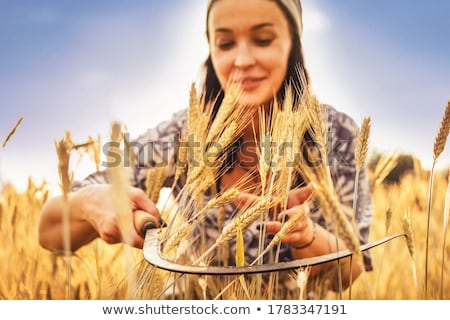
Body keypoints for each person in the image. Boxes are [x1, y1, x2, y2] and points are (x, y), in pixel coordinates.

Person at [39, 0, 373, 298]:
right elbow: (48, 231)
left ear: (293, 43)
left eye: (263, 39)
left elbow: (350, 273)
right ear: (211, 50)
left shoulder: (335, 134)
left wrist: (305, 236)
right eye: (226, 43)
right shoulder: (184, 133)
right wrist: (90, 204)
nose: (242, 60)